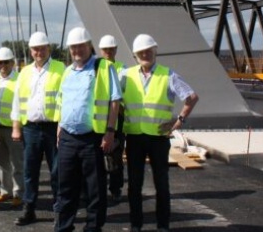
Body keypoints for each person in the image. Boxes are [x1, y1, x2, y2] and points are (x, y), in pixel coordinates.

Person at [122, 34, 199, 232]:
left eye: (148, 50)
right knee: (134, 185)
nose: (145, 54)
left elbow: (191, 97)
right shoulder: (126, 75)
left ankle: (163, 225)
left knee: (162, 185)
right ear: (135, 55)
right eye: (141, 52)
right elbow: (114, 100)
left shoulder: (168, 75)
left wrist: (179, 120)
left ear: (155, 51)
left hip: (158, 138)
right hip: (135, 137)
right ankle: (136, 224)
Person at [55, 27, 121, 232]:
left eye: (81, 46)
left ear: (89, 46)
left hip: (92, 138)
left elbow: (114, 101)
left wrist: (110, 132)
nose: (77, 50)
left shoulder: (103, 67)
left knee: (95, 189)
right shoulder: (67, 71)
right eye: (73, 47)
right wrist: (59, 129)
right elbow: (61, 102)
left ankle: (93, 227)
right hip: (67, 137)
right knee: (65, 187)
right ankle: (64, 227)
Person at [11, 31, 65, 226]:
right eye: (35, 49)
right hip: (30, 129)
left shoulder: (61, 69)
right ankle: (29, 209)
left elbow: (65, 99)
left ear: (48, 49)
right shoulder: (24, 72)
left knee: (57, 171)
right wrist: (16, 126)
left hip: (53, 128)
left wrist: (62, 126)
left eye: (42, 48)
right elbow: (17, 101)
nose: (39, 52)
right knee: (29, 171)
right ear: (30, 50)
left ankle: (59, 210)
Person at [0, 46, 24, 207]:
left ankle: (19, 193)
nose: (2, 65)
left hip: (13, 128)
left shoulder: (20, 80)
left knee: (17, 163)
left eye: (5, 62)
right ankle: (5, 192)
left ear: (12, 63)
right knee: (1, 163)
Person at [98, 34, 125, 203]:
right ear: (101, 50)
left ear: (116, 50)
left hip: (117, 119)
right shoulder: (96, 68)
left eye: (111, 49)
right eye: (105, 49)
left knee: (115, 156)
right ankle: (98, 189)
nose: (108, 52)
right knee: (96, 157)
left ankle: (115, 189)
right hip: (99, 118)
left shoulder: (124, 70)